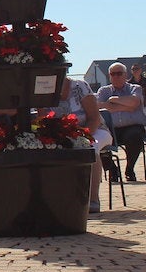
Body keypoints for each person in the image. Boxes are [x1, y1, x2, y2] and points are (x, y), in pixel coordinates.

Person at [48, 77, 113, 212]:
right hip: (64, 135)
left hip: (95, 130)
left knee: (89, 148)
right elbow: (43, 120)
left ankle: (93, 199)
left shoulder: (79, 86)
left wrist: (82, 137)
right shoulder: (44, 88)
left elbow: (94, 117)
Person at [96, 62, 146, 182]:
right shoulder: (104, 91)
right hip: (110, 128)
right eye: (113, 74)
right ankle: (112, 169)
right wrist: (126, 107)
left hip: (132, 127)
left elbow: (135, 102)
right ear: (109, 76)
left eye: (119, 73)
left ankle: (129, 169)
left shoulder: (135, 88)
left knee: (135, 136)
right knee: (98, 141)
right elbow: (97, 106)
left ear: (125, 75)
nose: (116, 76)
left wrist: (114, 101)